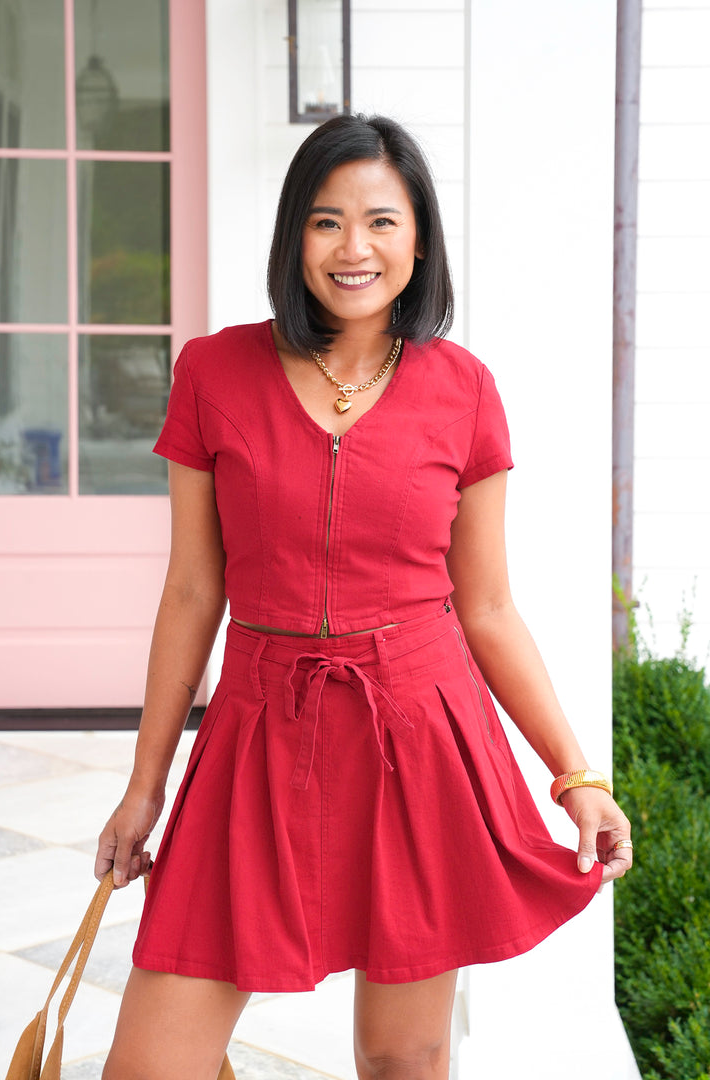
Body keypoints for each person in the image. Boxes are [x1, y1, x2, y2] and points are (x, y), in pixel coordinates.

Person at [96, 114, 632, 1080]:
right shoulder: (214, 372)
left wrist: (576, 776)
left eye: (381, 221)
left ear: (418, 239)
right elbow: (190, 592)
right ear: (292, 236)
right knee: (149, 1064)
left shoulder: (464, 391)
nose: (354, 248)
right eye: (325, 220)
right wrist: (146, 788)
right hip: (257, 731)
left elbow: (489, 608)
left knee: (403, 1058)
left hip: (418, 738)